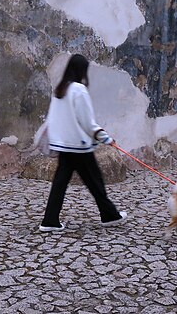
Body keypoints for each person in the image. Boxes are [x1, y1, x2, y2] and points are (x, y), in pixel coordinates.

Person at [39, 54, 127, 232]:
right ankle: (109, 215)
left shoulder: (60, 89)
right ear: (81, 70)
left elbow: (53, 119)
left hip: (64, 145)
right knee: (95, 181)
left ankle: (50, 220)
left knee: (61, 183)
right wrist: (105, 138)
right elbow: (87, 122)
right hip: (79, 146)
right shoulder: (78, 90)